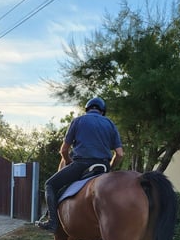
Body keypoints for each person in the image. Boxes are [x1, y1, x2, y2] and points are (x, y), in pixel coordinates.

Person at [36, 96, 124, 232]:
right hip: (104, 166)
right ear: (102, 111)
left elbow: (64, 150)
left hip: (82, 164)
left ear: (87, 109)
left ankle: (52, 222)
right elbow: (119, 154)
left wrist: (69, 162)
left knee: (50, 185)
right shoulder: (110, 124)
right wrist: (110, 168)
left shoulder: (77, 121)